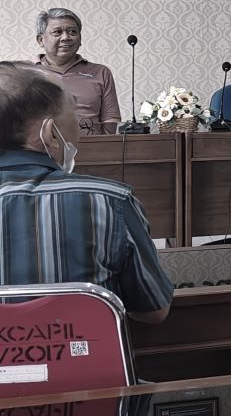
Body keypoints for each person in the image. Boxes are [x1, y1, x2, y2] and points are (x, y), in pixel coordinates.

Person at [0, 64, 172, 322]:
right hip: (84, 359)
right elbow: (154, 311)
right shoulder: (109, 201)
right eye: (75, 121)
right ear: (51, 134)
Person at [31, 8, 121, 136]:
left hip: (91, 150)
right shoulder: (24, 72)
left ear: (80, 38)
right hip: (39, 152)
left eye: (72, 32)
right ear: (41, 40)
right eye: (57, 32)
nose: (66, 37)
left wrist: (104, 150)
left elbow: (110, 119)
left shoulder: (100, 72)